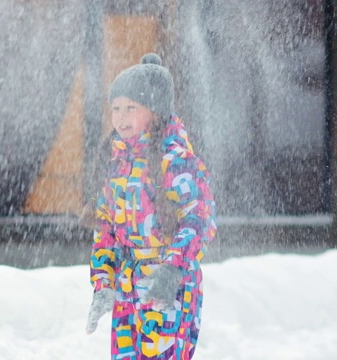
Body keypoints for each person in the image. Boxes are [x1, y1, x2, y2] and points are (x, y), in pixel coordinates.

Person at [85, 53, 217, 360]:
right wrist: (104, 283)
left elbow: (200, 218)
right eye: (116, 108)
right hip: (127, 288)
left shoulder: (177, 161)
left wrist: (173, 270)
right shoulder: (116, 163)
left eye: (131, 107)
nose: (120, 116)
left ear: (155, 112)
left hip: (169, 287)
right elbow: (105, 226)